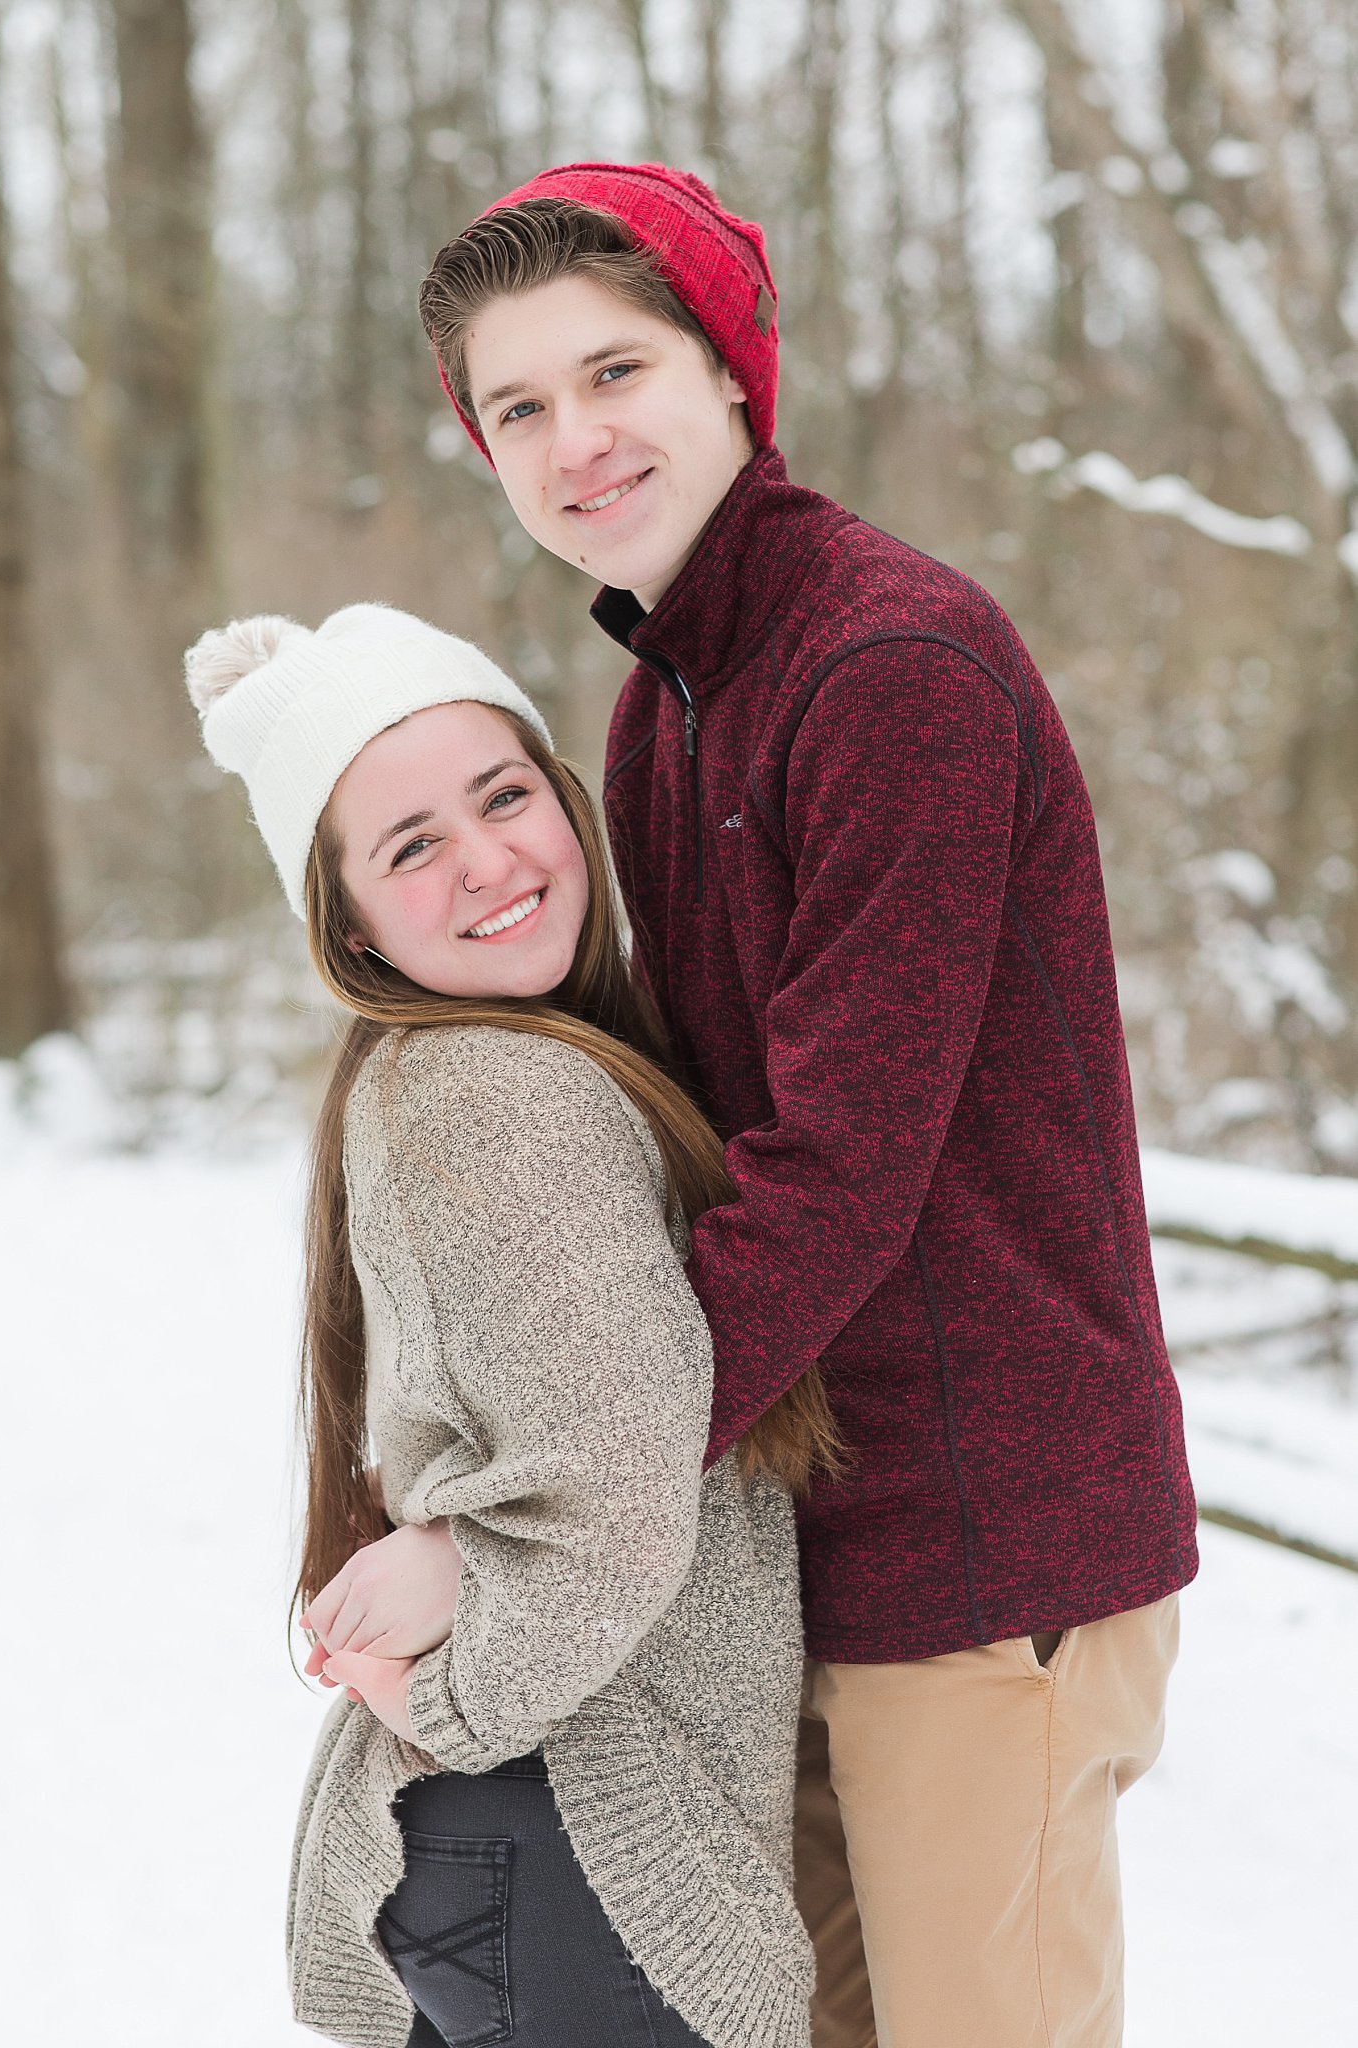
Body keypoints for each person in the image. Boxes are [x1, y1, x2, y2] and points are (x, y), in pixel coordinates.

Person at [357, 164, 1193, 2048]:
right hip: (801, 1537)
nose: (573, 439)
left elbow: (831, 1176)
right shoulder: (667, 704)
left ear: (731, 376)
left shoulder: (887, 666)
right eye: (516, 406)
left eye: (614, 371)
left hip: (988, 1551)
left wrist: (534, 1526)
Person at [183, 601, 840, 2048]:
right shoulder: (502, 1092)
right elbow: (601, 1489)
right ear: (349, 916)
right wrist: (463, 1700)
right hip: (586, 1833)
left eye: (504, 795)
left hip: (523, 1840)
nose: (489, 860)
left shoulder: (481, 1068)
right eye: (413, 845)